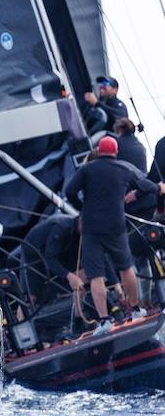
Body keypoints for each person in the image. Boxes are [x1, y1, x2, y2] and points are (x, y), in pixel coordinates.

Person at [64, 136, 159, 328]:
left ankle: (105, 321)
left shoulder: (86, 169)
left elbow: (69, 192)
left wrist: (82, 207)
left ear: (99, 151)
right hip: (115, 226)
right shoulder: (123, 168)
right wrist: (155, 188)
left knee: (96, 276)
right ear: (115, 152)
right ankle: (136, 310)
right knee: (126, 267)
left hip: (91, 227)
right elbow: (148, 186)